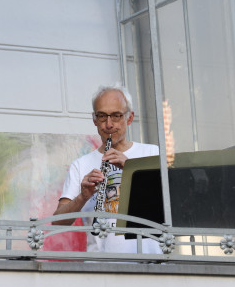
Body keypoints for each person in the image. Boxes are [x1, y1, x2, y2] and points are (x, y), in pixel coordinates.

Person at [53, 85, 162, 254]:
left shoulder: (154, 153)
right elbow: (58, 221)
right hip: (101, 266)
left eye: (116, 116)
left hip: (150, 262)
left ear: (130, 117)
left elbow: (172, 204)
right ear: (94, 119)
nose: (109, 124)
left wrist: (132, 170)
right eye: (102, 116)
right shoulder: (80, 165)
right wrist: (83, 196)